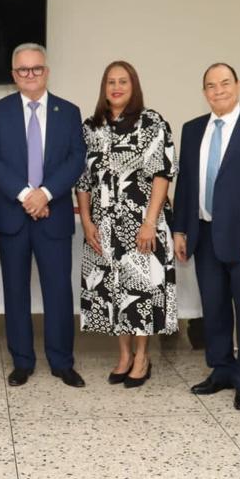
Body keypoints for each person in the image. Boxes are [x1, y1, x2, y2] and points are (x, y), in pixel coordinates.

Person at [172, 63, 240, 411]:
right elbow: (186, 184)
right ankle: (221, 369)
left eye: (224, 83)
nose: (218, 90)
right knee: (214, 307)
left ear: (238, 85)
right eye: (210, 85)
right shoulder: (192, 129)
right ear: (204, 91)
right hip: (204, 235)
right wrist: (180, 228)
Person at [0, 43, 86, 388]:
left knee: (59, 292)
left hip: (53, 215)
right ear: (14, 75)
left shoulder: (68, 111)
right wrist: (27, 195)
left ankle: (62, 362)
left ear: (46, 71)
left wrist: (46, 194)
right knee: (15, 291)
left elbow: (76, 159)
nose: (30, 74)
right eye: (23, 69)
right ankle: (22, 362)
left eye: (36, 68)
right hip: (13, 214)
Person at [77, 61, 177, 388]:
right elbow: (83, 180)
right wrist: (87, 221)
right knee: (111, 292)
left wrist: (149, 223)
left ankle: (142, 356)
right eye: (111, 82)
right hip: (103, 226)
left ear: (133, 86)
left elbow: (162, 174)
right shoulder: (91, 127)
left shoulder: (151, 122)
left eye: (123, 81)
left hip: (142, 224)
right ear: (103, 88)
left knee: (139, 290)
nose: (117, 87)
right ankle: (123, 355)